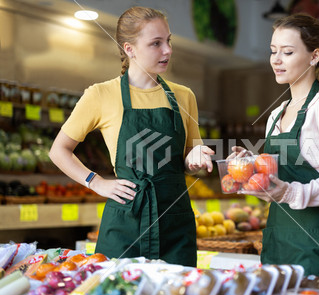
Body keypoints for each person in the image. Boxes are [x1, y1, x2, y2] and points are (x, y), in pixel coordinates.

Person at [49, 7, 214, 267]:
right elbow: (58, 151)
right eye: (156, 43)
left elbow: (192, 161)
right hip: (126, 223)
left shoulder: (184, 96)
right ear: (129, 48)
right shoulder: (100, 95)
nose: (167, 50)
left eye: (168, 41)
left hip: (175, 222)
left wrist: (196, 158)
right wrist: (97, 182)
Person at [230, 13, 319, 285]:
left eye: (287, 52)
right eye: (273, 51)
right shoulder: (277, 113)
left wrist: (292, 191)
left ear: (315, 56)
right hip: (278, 238)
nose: (276, 60)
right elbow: (279, 180)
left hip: (315, 240)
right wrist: (251, 169)